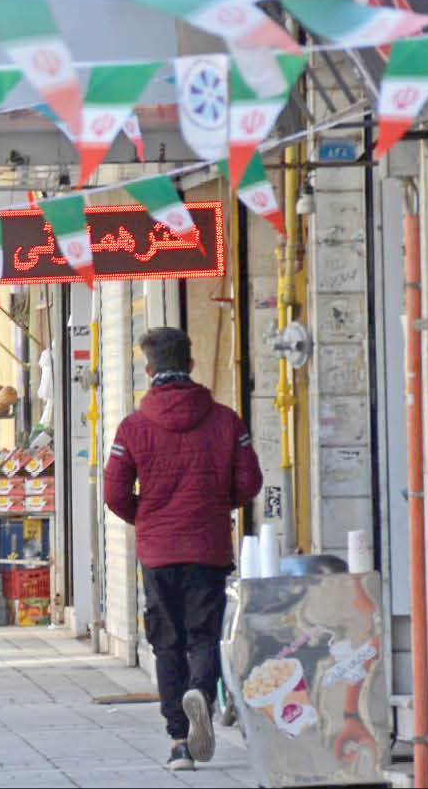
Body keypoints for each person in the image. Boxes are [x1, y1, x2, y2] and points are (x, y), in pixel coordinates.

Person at [103, 326, 263, 772]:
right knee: (204, 634)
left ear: (148, 369)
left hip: (158, 551)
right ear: (191, 365)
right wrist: (215, 506)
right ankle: (201, 692)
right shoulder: (227, 420)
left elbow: (114, 492)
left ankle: (179, 742)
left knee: (165, 642)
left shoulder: (133, 427)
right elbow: (249, 482)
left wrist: (148, 518)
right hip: (208, 545)